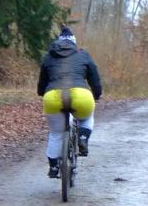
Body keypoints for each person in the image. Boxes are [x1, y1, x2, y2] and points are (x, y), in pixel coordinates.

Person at [37, 26, 102, 178]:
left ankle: (54, 166)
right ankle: (83, 138)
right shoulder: (83, 55)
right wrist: (96, 95)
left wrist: (42, 92)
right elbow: (94, 79)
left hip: (53, 97)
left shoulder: (49, 56)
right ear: (74, 42)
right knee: (87, 117)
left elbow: (42, 82)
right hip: (81, 95)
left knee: (56, 133)